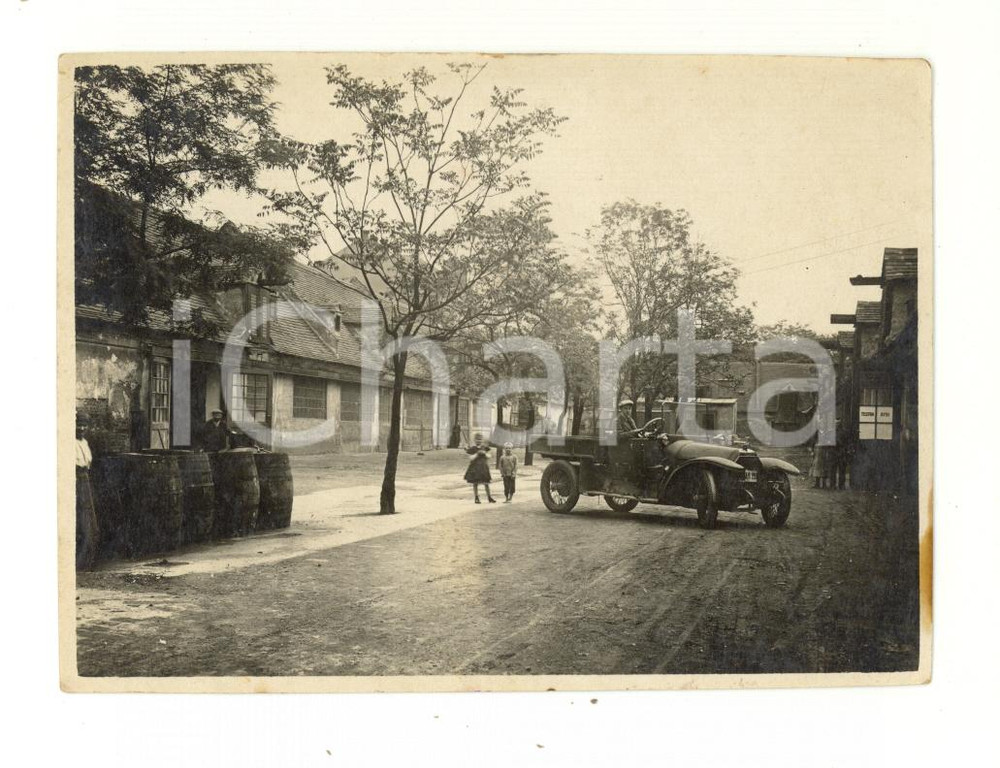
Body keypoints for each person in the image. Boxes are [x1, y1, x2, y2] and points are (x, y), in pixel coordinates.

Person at [75, 412, 99, 570]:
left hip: (86, 479)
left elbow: (88, 463)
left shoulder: (85, 443)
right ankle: (78, 564)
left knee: (91, 522)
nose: (82, 428)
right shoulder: (71, 443)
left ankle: (86, 563)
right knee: (82, 521)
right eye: (79, 425)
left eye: (84, 425)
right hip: (77, 479)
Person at [464, 433, 496, 503]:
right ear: (474, 440)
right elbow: (470, 458)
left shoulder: (484, 447)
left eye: (480, 439)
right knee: (475, 483)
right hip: (475, 468)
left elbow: (489, 456)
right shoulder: (473, 448)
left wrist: (484, 453)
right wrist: (477, 454)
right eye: (477, 439)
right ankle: (476, 497)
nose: (479, 441)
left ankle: (489, 497)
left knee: (486, 483)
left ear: (482, 440)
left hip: (483, 467)